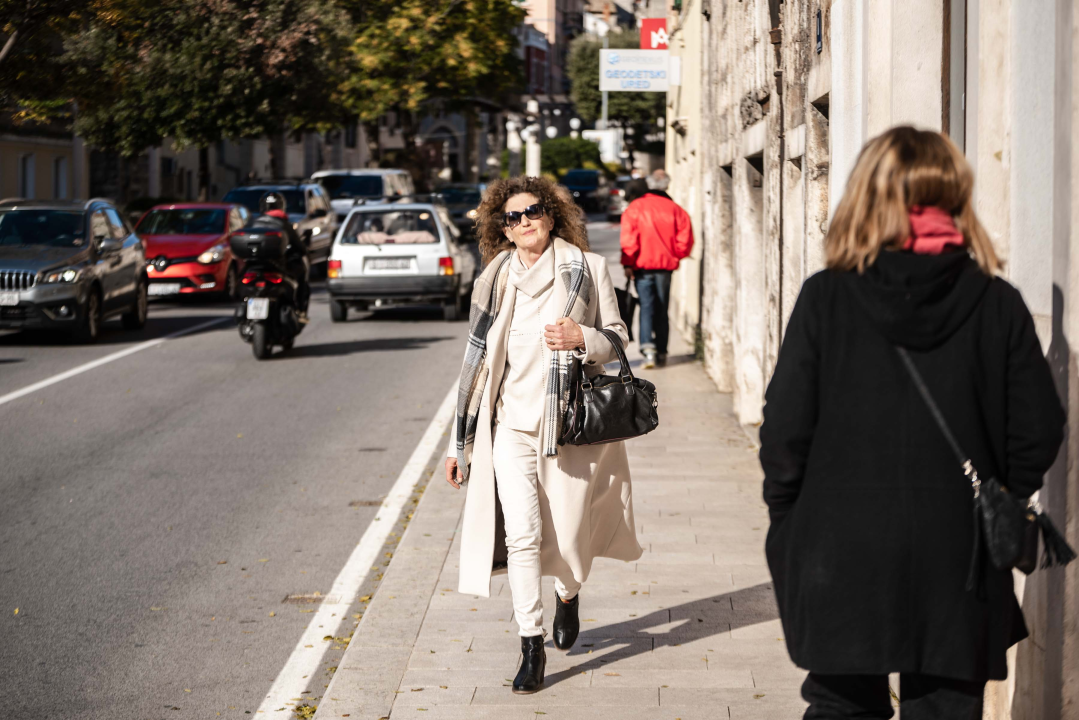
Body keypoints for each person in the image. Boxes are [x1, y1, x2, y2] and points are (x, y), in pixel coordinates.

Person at [759, 126, 1065, 720]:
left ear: (867, 197)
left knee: (841, 704)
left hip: (837, 543)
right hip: (957, 550)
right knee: (947, 706)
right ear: (953, 195)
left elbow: (785, 430)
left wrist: (788, 520)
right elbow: (1038, 430)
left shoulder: (827, 297)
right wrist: (995, 498)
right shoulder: (996, 303)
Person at [444, 176, 643, 695]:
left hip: (572, 427)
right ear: (502, 229)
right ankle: (530, 644)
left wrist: (586, 337)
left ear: (552, 217)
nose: (524, 220)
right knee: (523, 536)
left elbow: (620, 338)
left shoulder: (587, 268)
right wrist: (458, 445)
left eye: (533, 211)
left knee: (573, 534)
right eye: (512, 216)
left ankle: (569, 594)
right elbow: (475, 366)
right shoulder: (494, 279)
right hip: (510, 426)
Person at [619, 169, 694, 368]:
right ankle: (661, 351)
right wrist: (675, 254)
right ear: (666, 186)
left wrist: (628, 263)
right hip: (665, 268)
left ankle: (648, 350)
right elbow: (685, 240)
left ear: (649, 185)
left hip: (642, 266)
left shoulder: (635, 208)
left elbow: (629, 240)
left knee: (646, 307)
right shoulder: (676, 209)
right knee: (662, 308)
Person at [258, 192, 310, 318]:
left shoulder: (255, 223)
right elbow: (300, 248)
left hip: (257, 266)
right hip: (278, 266)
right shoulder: (284, 224)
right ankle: (300, 310)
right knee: (302, 272)